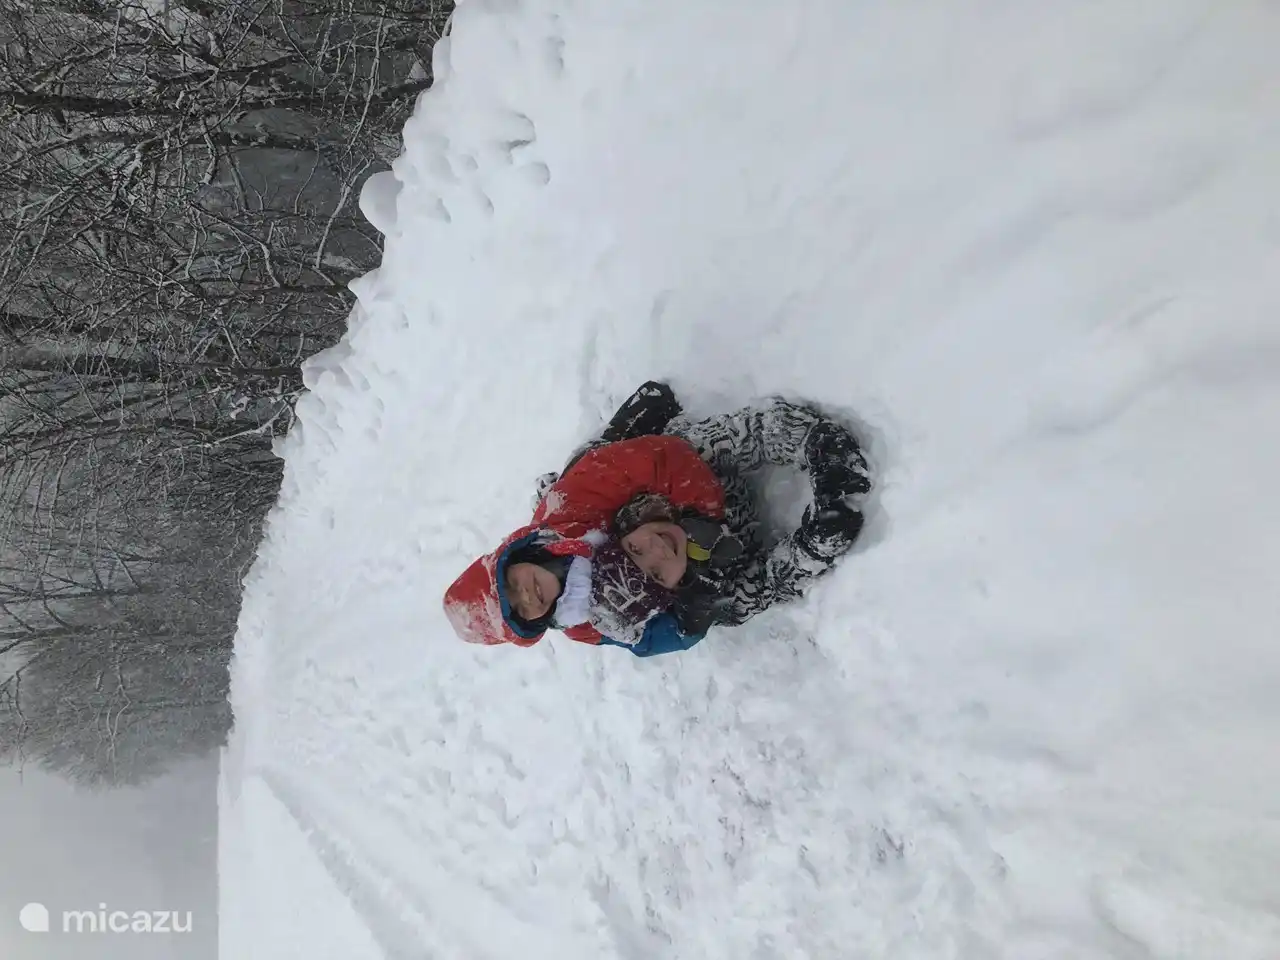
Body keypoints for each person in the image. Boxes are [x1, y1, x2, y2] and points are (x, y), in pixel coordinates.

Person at [443, 384, 870, 656]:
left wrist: (703, 515)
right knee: (731, 605)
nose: (528, 593)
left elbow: (660, 460)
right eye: (521, 609)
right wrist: (692, 610)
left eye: (512, 584)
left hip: (663, 499)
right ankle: (815, 548)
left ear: (508, 559)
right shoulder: (585, 625)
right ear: (533, 624)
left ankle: (801, 434)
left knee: (691, 446)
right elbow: (647, 640)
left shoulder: (568, 508)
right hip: (683, 568)